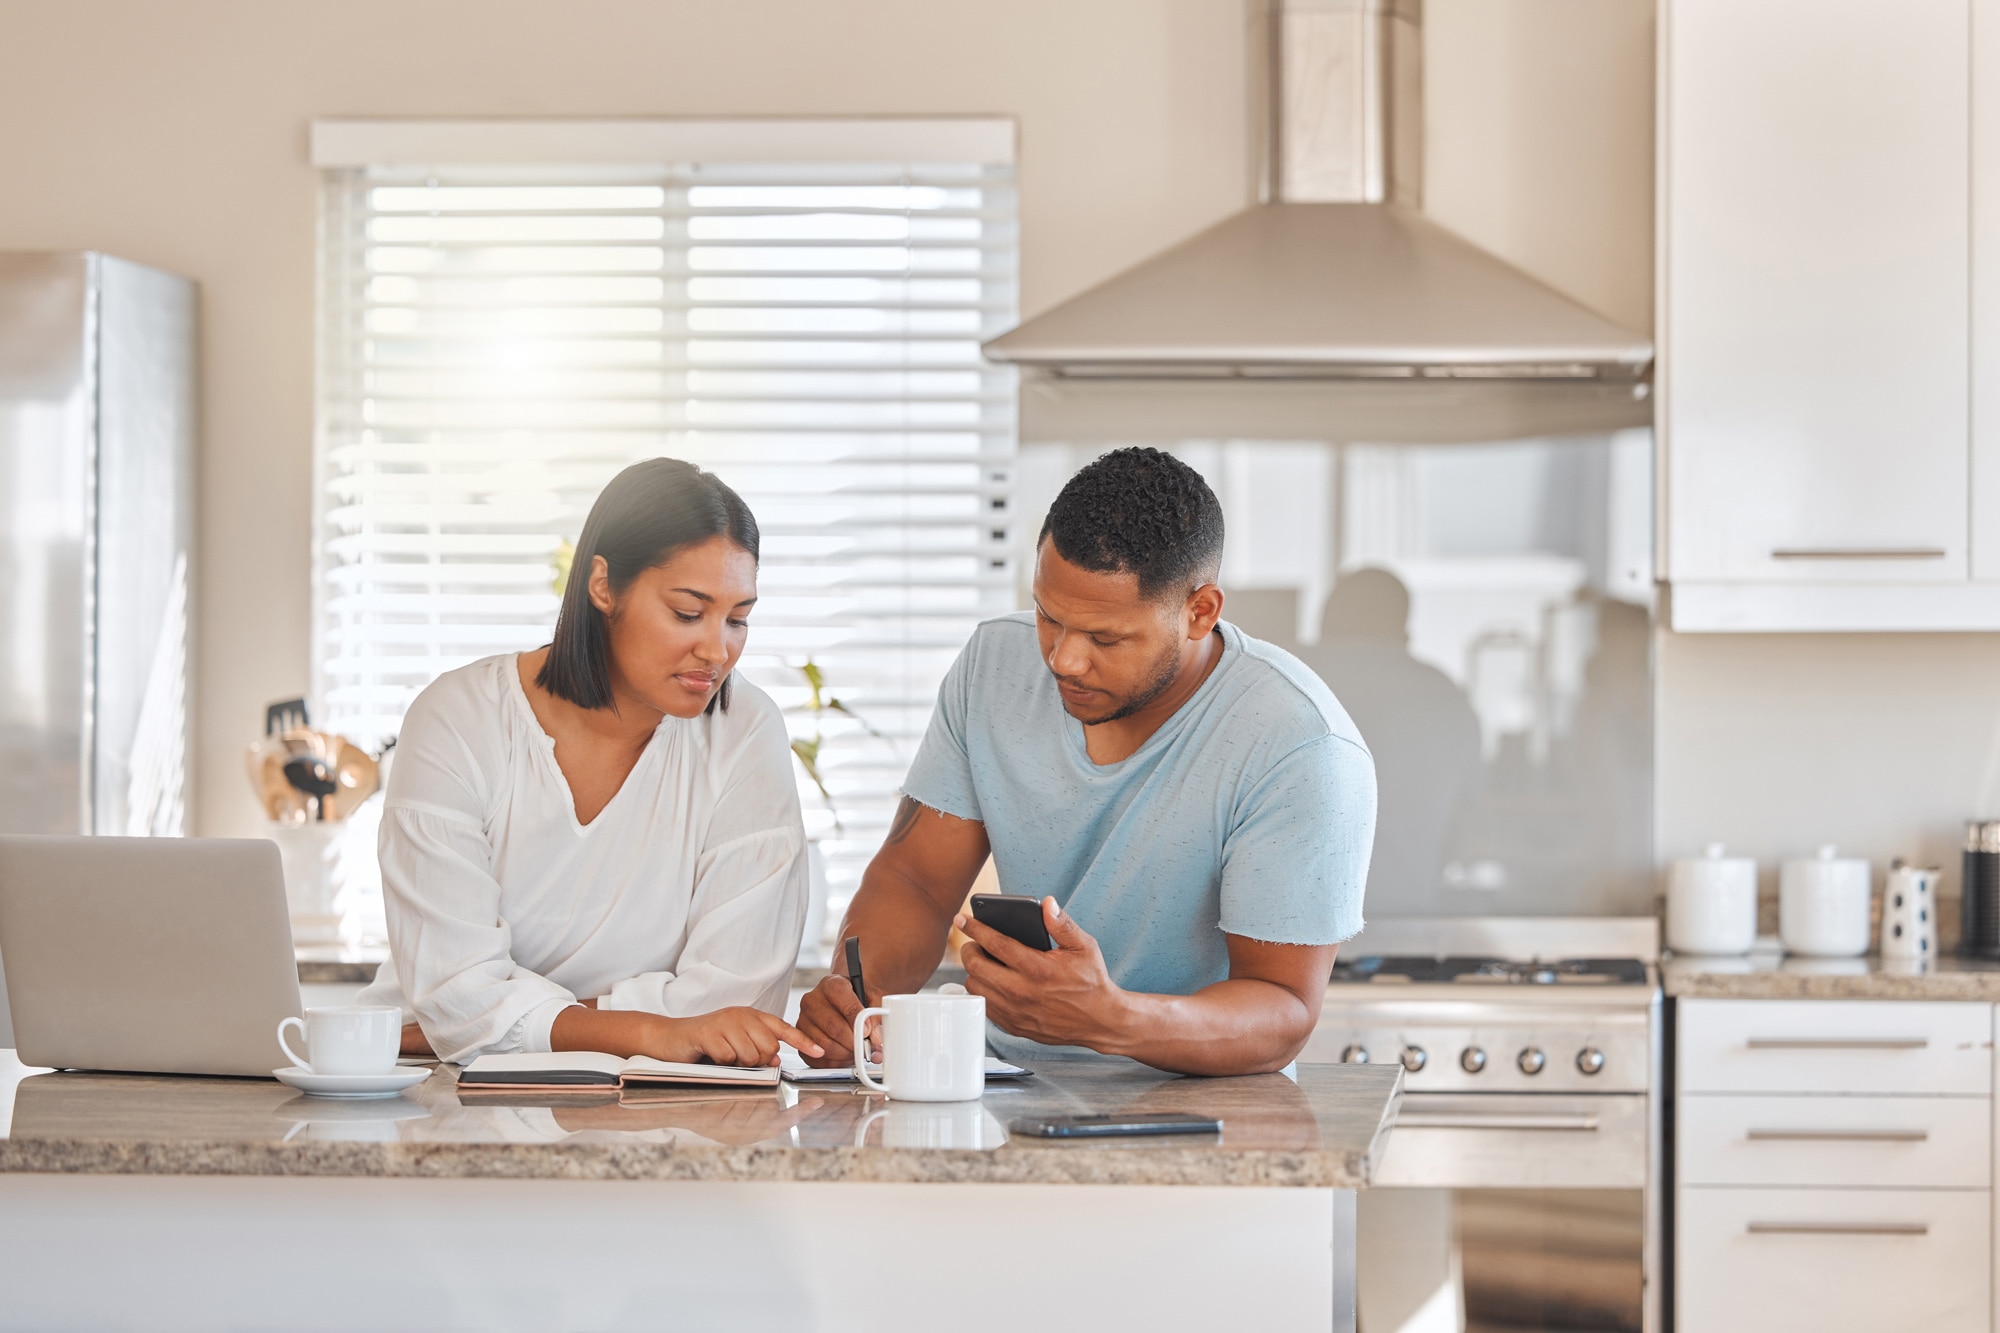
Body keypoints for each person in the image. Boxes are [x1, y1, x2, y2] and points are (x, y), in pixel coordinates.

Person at [795, 447, 1376, 1076]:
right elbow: (916, 881)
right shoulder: (994, 665)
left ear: (1199, 612)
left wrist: (1112, 1019)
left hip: (1204, 1110)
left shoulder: (1300, 744)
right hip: (1006, 1086)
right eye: (1049, 616)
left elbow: (1284, 1009)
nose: (1063, 660)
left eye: (1106, 638)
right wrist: (857, 998)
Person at [356, 458, 824, 1068]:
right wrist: (653, 1030)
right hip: (433, 1092)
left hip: (659, 1111)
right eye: (688, 612)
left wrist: (492, 1020)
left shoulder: (745, 731)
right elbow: (459, 1000)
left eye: (738, 619)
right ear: (603, 585)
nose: (717, 650)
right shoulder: (457, 720)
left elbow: (734, 1006)